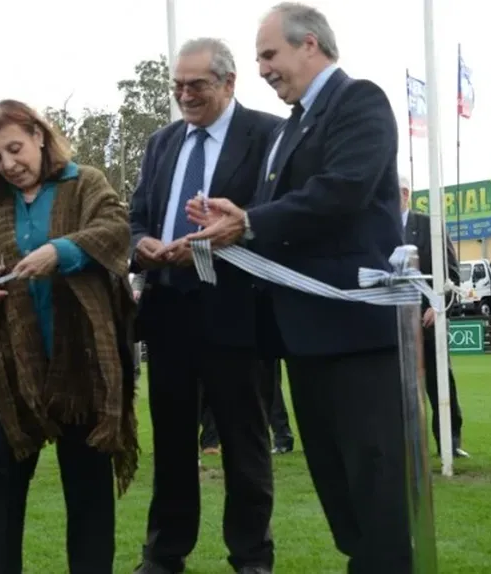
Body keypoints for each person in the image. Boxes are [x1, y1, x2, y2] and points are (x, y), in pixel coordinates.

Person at [175, 4, 413, 571]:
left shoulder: (359, 101)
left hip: (355, 332)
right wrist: (234, 216)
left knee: (374, 485)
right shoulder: (291, 126)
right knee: (337, 486)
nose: (262, 69)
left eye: (269, 54)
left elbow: (342, 190)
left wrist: (251, 221)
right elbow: (284, 211)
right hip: (303, 335)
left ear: (311, 45)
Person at [0, 98, 137, 574]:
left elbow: (116, 228)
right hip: (13, 368)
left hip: (82, 367)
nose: (9, 164)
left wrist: (63, 250)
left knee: (88, 486)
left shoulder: (85, 182)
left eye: (15, 149)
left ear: (39, 135)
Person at [129, 37, 280, 574]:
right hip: (169, 306)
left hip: (237, 307)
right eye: (178, 86)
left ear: (229, 82)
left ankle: (251, 557)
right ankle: (164, 553)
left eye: (197, 85)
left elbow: (278, 216)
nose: (185, 95)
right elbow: (138, 215)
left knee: (244, 443)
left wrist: (230, 232)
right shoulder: (163, 142)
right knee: (170, 443)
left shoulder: (268, 134)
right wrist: (139, 245)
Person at [400, 175, 469, 458]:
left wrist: (438, 306)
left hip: (427, 322)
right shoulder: (373, 226)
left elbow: (450, 275)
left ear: (404, 193)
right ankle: (401, 446)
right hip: (388, 323)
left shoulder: (429, 226)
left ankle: (449, 444)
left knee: (440, 384)